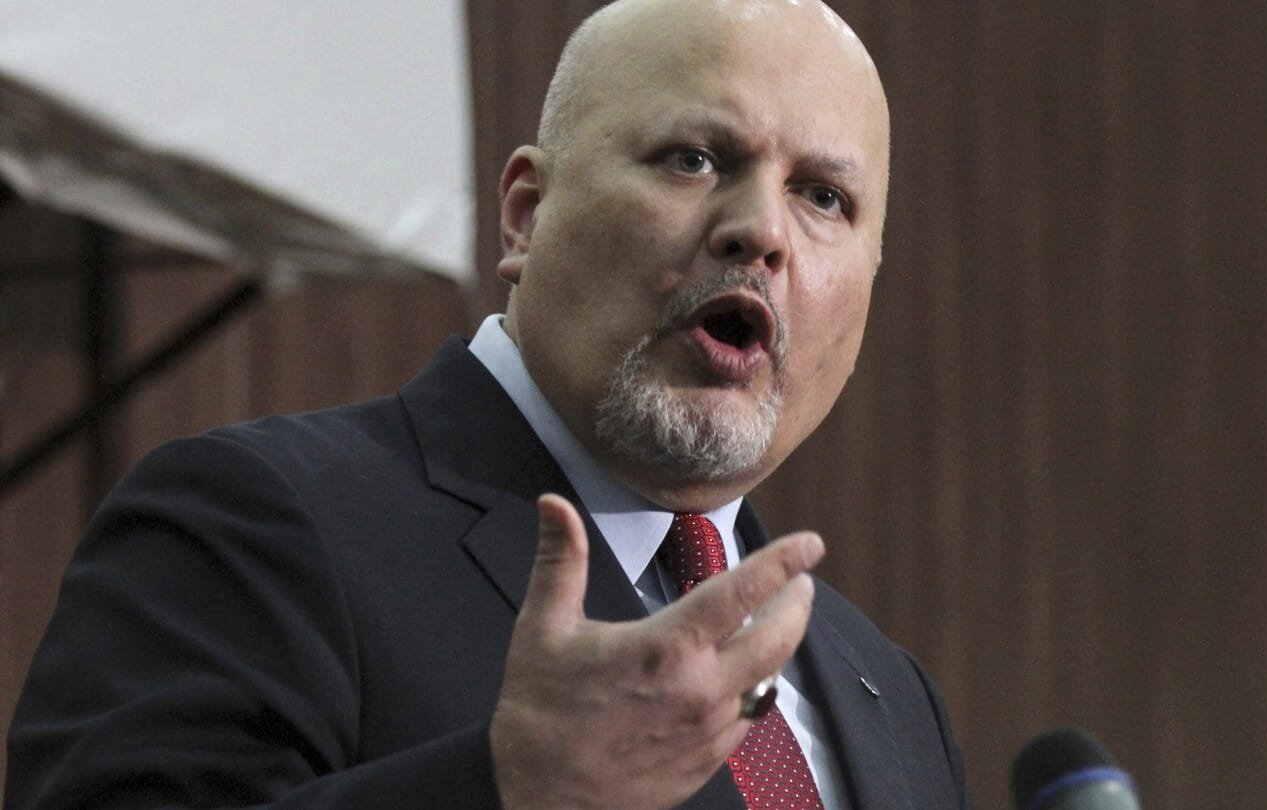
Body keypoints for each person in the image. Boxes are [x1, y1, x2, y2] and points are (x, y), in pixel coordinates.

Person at [5, 0, 973, 807]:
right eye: (694, 159)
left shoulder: (892, 700)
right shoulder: (250, 526)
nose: (762, 231)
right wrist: (508, 790)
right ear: (525, 215)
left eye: (824, 198)